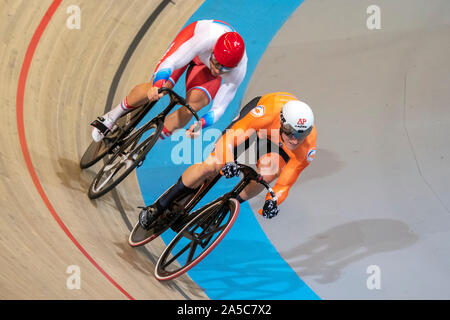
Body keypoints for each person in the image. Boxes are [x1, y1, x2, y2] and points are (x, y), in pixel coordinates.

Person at [138, 92, 317, 229]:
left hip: (277, 143)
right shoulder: (267, 113)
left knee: (267, 176)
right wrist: (229, 160)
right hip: (258, 125)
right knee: (212, 166)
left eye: (302, 134)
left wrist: (273, 201)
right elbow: (230, 139)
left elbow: (284, 185)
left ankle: (223, 209)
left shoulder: (307, 147)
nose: (295, 140)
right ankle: (159, 206)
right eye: (292, 133)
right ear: (282, 122)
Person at [91, 19, 247, 142]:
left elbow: (219, 108)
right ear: (213, 51)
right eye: (217, 63)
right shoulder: (206, 38)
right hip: (191, 40)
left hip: (205, 61)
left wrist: (200, 124)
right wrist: (157, 86)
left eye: (225, 69)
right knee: (161, 87)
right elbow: (172, 62)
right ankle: (111, 117)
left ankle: (141, 148)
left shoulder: (238, 71)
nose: (218, 70)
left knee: (193, 106)